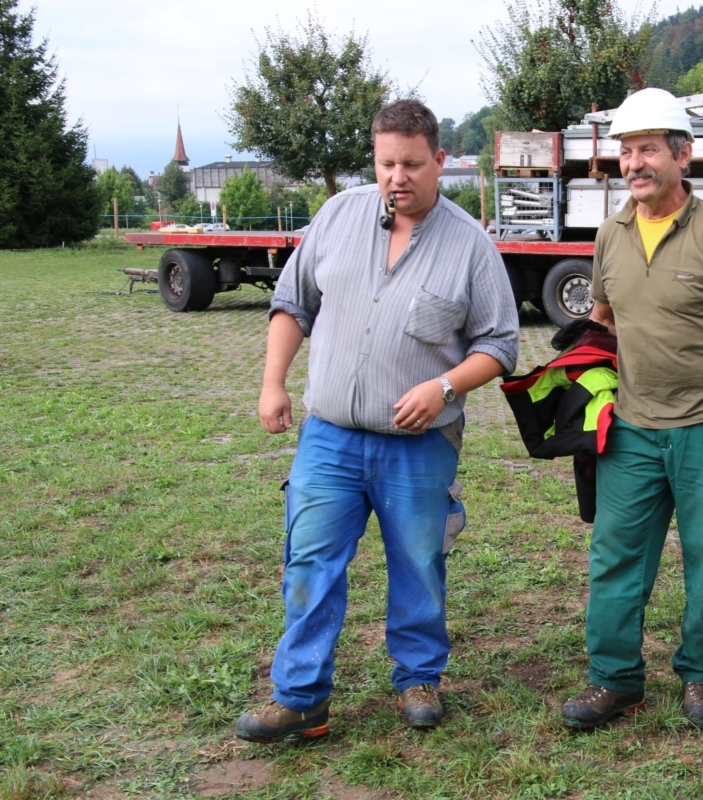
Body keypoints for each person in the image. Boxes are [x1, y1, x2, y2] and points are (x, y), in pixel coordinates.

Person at [236, 99, 520, 743]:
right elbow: (293, 303)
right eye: (387, 163)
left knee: (419, 562)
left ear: (439, 161)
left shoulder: (470, 245)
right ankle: (301, 699)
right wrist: (273, 382)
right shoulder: (337, 216)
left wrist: (444, 386)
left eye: (412, 164)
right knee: (309, 565)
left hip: (418, 445)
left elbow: (500, 345)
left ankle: (419, 679)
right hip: (329, 438)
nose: (398, 177)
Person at [560, 88, 703, 731]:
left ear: (682, 155)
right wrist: (579, 390)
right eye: (625, 152)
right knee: (616, 554)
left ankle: (702, 672)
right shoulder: (609, 235)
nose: (634, 164)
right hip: (633, 428)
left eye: (648, 150)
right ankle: (615, 681)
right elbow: (605, 320)